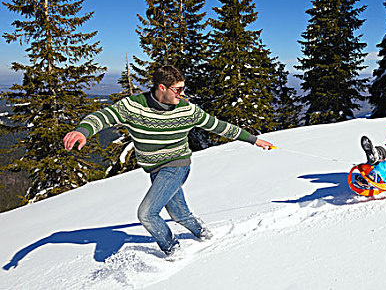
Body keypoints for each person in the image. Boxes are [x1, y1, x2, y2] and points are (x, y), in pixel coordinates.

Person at [63, 65, 273, 257]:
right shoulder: (134, 107)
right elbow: (102, 116)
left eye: (183, 89)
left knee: (146, 214)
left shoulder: (187, 110)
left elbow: (219, 126)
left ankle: (173, 250)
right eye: (178, 90)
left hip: (177, 166)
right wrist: (83, 131)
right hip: (155, 169)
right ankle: (205, 234)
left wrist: (254, 140)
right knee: (179, 214)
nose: (182, 94)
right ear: (161, 87)